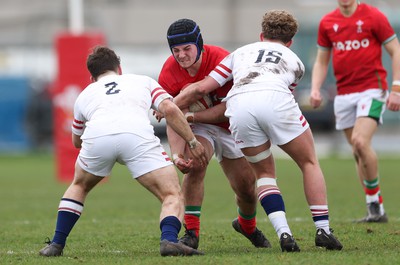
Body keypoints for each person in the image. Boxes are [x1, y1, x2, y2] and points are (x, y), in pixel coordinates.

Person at [173, 10, 343, 251]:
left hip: (239, 106)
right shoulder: (295, 60)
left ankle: (284, 234)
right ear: (290, 41)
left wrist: (169, 107)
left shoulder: (239, 53)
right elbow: (284, 91)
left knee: (264, 173)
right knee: (308, 163)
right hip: (275, 99)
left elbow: (200, 88)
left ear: (261, 35)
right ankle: (323, 229)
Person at [38, 46, 208, 257]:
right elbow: (171, 109)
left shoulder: (85, 94)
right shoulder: (142, 80)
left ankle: (56, 244)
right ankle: (169, 240)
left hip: (98, 137)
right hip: (137, 136)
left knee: (79, 186)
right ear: (119, 69)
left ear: (92, 77)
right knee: (171, 194)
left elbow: (76, 141)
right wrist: (192, 142)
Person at [158, 18, 271, 250]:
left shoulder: (222, 59)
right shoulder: (169, 71)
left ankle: (247, 226)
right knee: (195, 163)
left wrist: (190, 116)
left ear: (199, 44)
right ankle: (191, 232)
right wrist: (177, 154)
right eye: (176, 50)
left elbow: (228, 109)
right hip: (199, 129)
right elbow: (172, 118)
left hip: (231, 126)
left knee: (247, 189)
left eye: (187, 48)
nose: (181, 55)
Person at [309, 0, 400, 223]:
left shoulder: (374, 16)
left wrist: (396, 87)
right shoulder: (327, 22)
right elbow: (322, 61)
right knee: (357, 151)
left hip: (373, 91)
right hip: (343, 95)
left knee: (360, 141)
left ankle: (375, 206)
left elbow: (395, 50)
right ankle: (374, 207)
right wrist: (315, 89)